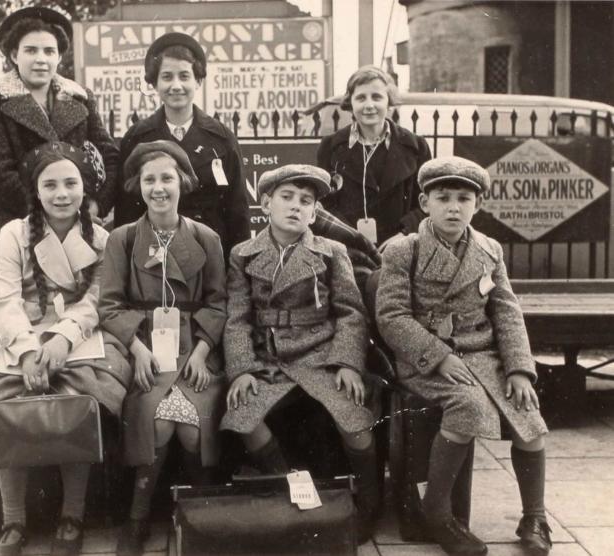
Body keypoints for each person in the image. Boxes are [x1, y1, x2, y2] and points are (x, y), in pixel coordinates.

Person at [0, 142, 132, 556]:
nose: (61, 194)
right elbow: (2, 299)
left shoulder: (102, 239)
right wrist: (29, 351)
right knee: (4, 405)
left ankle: (72, 516)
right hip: (24, 339)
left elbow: (96, 301)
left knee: (79, 403)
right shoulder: (13, 234)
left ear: (84, 190)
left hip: (76, 339)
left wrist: (64, 338)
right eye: (50, 185)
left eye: (71, 184)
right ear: (36, 192)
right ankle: (13, 520)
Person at [376, 157, 551, 556]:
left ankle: (535, 516)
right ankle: (437, 511)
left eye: (464, 198)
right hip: (428, 360)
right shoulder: (405, 250)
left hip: (483, 353)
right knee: (468, 406)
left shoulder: (489, 249)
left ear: (478, 205)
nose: (454, 207)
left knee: (531, 419)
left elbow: (506, 311)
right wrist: (438, 356)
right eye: (443, 198)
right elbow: (392, 316)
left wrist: (520, 369)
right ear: (425, 203)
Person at [220, 164, 380, 541]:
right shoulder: (243, 254)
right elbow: (238, 318)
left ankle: (370, 503)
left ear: (314, 212)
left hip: (321, 356)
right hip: (268, 360)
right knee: (242, 415)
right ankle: (291, 488)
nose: (295, 207)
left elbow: (351, 313)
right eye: (286, 198)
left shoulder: (331, 251)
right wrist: (242, 368)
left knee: (353, 418)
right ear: (265, 204)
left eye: (305, 201)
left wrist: (347, 363)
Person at [98, 141, 227, 556]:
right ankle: (137, 518)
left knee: (192, 431)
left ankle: (199, 515)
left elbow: (219, 301)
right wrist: (135, 349)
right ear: (138, 186)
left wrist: (205, 352)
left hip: (196, 351)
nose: (159, 188)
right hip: (146, 349)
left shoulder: (206, 238)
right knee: (156, 426)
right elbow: (110, 304)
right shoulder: (122, 239)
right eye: (149, 179)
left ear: (183, 183)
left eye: (167, 178)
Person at [0, 6, 118, 340]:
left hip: (73, 225)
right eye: (31, 50)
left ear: (60, 57)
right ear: (13, 54)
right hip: (14, 224)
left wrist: (93, 205)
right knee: (11, 327)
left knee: (76, 319)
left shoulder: (79, 98)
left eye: (49, 51)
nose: (41, 59)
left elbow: (109, 154)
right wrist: (51, 211)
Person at [106, 32, 250, 259]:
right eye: (166, 77)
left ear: (198, 80)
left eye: (184, 76)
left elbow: (237, 211)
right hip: (153, 256)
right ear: (154, 83)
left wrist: (237, 271)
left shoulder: (222, 139)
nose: (176, 86)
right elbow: (126, 210)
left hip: (210, 256)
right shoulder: (138, 137)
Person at [316, 65, 431, 251]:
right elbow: (325, 204)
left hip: (402, 248)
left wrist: (404, 235)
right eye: (361, 98)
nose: (369, 105)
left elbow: (427, 202)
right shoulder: (330, 147)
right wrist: (352, 238)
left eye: (377, 97)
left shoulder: (416, 146)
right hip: (348, 249)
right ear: (350, 102)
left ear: (388, 101)